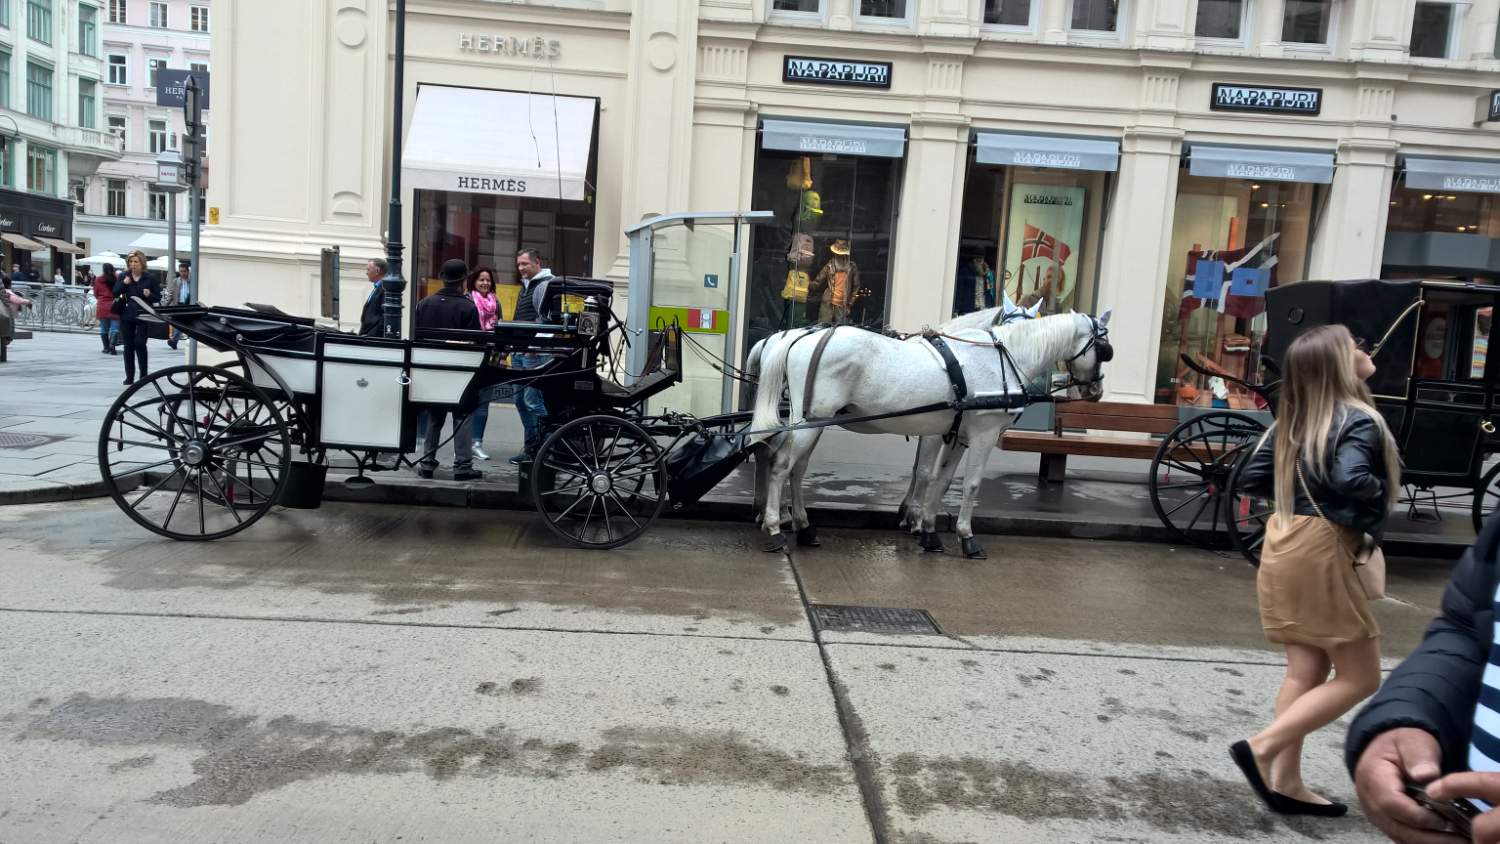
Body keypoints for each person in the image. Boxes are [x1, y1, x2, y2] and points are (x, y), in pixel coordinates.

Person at [1228, 324, 1400, 817]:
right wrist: (1379, 499)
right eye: (1354, 345)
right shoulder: (1359, 419)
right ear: (1339, 363)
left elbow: (1251, 476)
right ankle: (1262, 748)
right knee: (1362, 676)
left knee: (1305, 671)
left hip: (1286, 537)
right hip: (1324, 544)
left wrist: (1307, 492)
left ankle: (1287, 783)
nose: (1363, 349)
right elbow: (1352, 477)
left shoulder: (1297, 421)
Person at [413, 258, 482, 482]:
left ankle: (427, 463)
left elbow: (417, 339)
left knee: (435, 417)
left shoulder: (424, 304)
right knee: (462, 417)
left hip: (432, 370)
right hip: (458, 371)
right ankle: (463, 466)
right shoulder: (467, 307)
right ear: (463, 280)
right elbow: (475, 344)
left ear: (443, 278)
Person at [509, 248, 553, 464]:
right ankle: (532, 448)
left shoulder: (546, 284)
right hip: (520, 350)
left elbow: (548, 319)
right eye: (519, 264)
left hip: (533, 352)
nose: (520, 268)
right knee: (520, 401)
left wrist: (534, 346)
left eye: (524, 264)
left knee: (532, 401)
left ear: (537, 262)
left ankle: (544, 449)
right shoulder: (527, 285)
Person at [466, 266, 500, 461]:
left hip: (490, 357)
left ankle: (477, 443)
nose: (485, 283)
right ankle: (463, 444)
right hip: (470, 357)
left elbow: (500, 328)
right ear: (474, 281)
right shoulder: (467, 300)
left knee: (483, 403)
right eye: (481, 280)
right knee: (466, 402)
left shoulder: (497, 303)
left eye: (488, 280)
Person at [113, 250, 158, 385]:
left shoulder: (150, 278)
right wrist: (124, 284)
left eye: (136, 262)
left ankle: (143, 374)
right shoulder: (124, 276)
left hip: (144, 315)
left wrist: (149, 294)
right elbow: (115, 292)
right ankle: (129, 376)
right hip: (127, 315)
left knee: (140, 343)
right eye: (131, 262)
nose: (133, 264)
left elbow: (158, 297)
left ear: (142, 263)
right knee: (128, 346)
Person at [0, 277, 31, 363]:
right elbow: (16, 300)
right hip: (6, 315)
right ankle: (6, 342)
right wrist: (28, 302)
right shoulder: (7, 292)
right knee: (8, 330)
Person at [359, 258, 388, 337]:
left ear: (378, 271)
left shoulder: (385, 288)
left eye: (368, 270)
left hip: (371, 338)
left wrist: (370, 336)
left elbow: (384, 316)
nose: (366, 273)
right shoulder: (378, 287)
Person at [93, 264, 118, 354]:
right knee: (115, 329)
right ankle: (112, 346)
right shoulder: (117, 278)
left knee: (104, 329)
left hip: (102, 306)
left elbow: (96, 293)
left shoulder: (98, 279)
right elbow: (120, 292)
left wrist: (101, 298)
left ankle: (106, 348)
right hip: (115, 306)